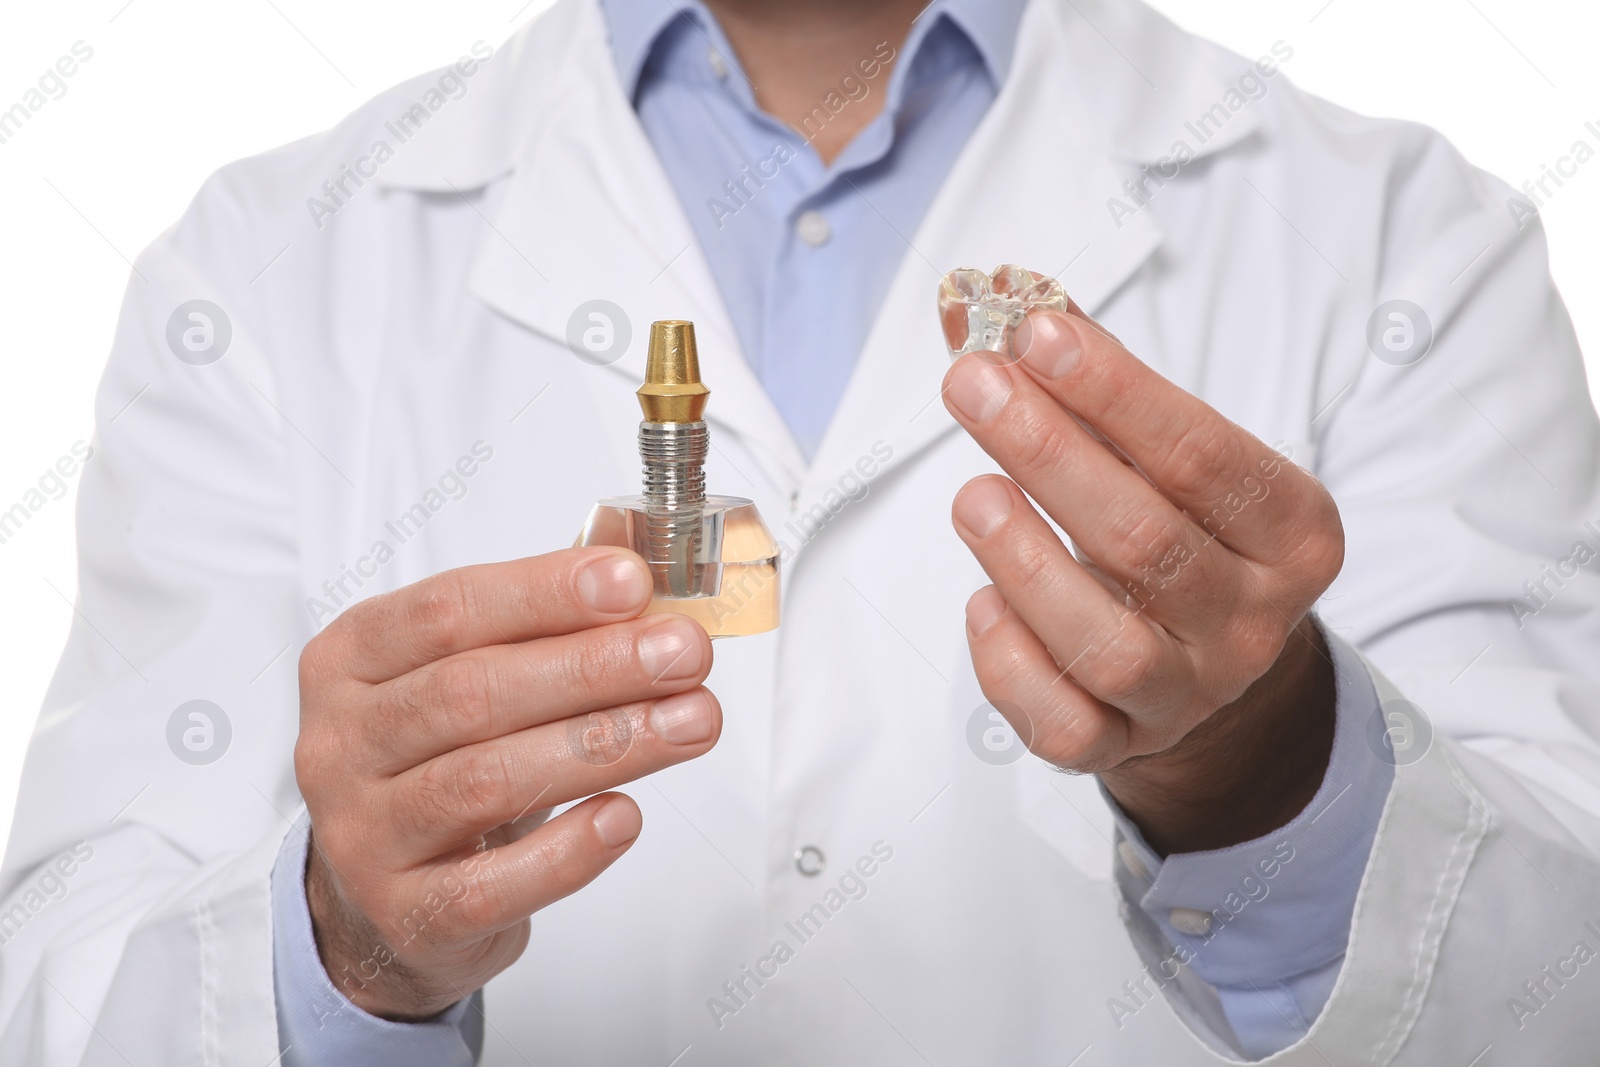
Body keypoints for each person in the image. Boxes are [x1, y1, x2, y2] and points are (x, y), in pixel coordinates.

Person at [3, 0, 1599, 1062]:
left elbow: (1559, 986)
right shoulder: (266, 267)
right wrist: (339, 950)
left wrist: (1264, 770)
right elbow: (60, 989)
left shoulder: (1405, 239)